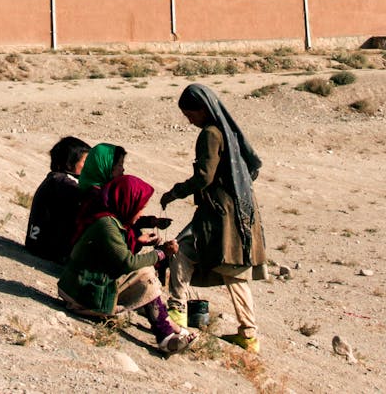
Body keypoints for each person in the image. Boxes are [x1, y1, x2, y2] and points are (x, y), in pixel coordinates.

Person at [160, 83, 267, 354]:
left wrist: (176, 192)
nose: (189, 120)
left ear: (203, 109)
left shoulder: (210, 134)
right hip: (239, 211)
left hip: (220, 216)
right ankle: (249, 335)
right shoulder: (226, 131)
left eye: (190, 114)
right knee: (235, 271)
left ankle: (176, 316)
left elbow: (204, 177)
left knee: (183, 252)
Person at [58, 174, 198, 354]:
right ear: (128, 203)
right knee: (145, 273)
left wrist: (148, 233)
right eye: (140, 208)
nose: (140, 213)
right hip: (80, 296)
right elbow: (127, 262)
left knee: (144, 273)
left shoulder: (109, 220)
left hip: (82, 287)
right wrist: (162, 253)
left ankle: (170, 329)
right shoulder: (106, 226)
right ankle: (165, 335)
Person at [25, 136, 90, 263]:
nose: (89, 167)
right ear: (69, 163)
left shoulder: (55, 179)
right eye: (86, 162)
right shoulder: (63, 182)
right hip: (48, 250)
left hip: (37, 244)